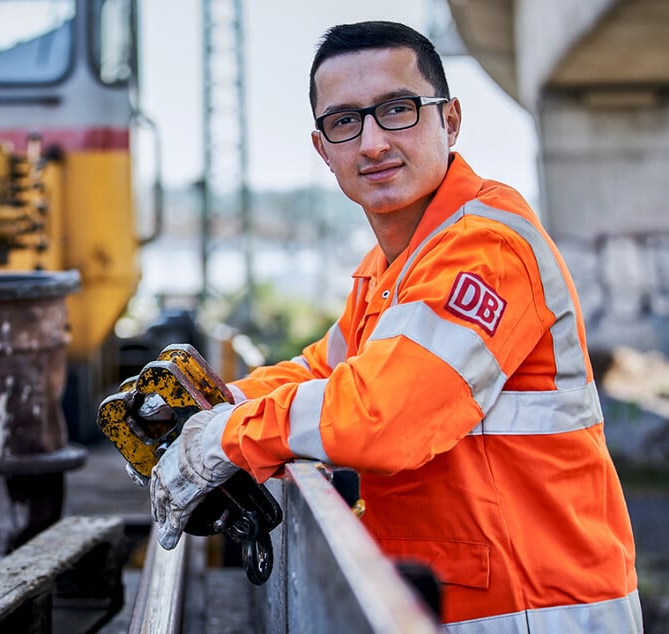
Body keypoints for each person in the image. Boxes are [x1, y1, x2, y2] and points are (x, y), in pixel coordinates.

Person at [147, 20, 642, 632]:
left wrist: (226, 437)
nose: (373, 142)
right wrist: (205, 409)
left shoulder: (485, 248)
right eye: (345, 122)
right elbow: (321, 372)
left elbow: (385, 416)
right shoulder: (393, 265)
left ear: (450, 120)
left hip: (538, 607)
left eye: (397, 110)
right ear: (323, 148)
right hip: (458, 600)